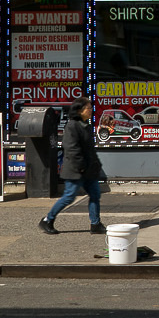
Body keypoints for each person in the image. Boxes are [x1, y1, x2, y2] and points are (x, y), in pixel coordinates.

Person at [39, 100, 106, 235]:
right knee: (69, 196)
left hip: (89, 170)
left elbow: (90, 150)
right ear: (79, 110)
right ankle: (47, 220)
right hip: (76, 170)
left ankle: (95, 224)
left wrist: (96, 164)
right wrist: (81, 166)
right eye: (88, 108)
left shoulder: (86, 126)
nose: (90, 110)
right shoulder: (72, 126)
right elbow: (71, 148)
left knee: (94, 195)